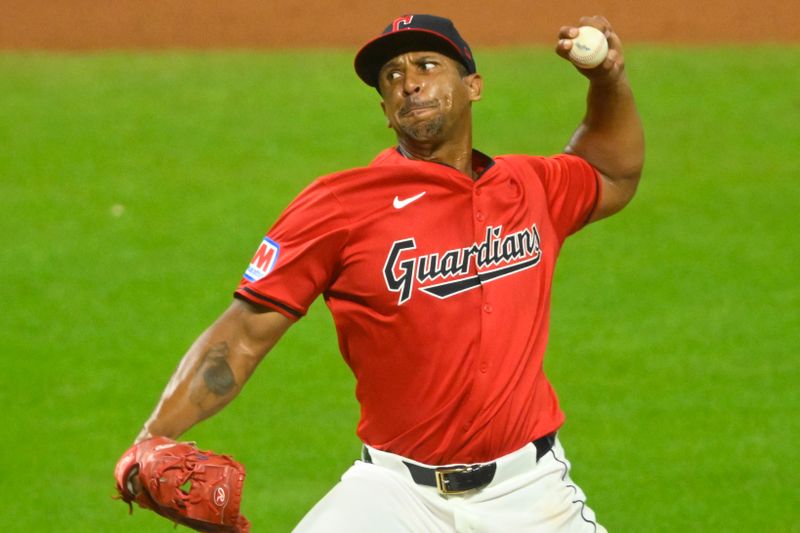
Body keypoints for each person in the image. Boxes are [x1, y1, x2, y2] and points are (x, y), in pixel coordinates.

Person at [124, 13, 644, 532]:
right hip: (394, 497)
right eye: (391, 77)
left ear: (473, 86)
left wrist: (607, 81)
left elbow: (611, 171)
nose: (409, 82)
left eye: (426, 65)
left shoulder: (530, 187)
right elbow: (241, 336)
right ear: (385, 111)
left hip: (530, 494)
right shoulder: (339, 205)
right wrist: (151, 438)